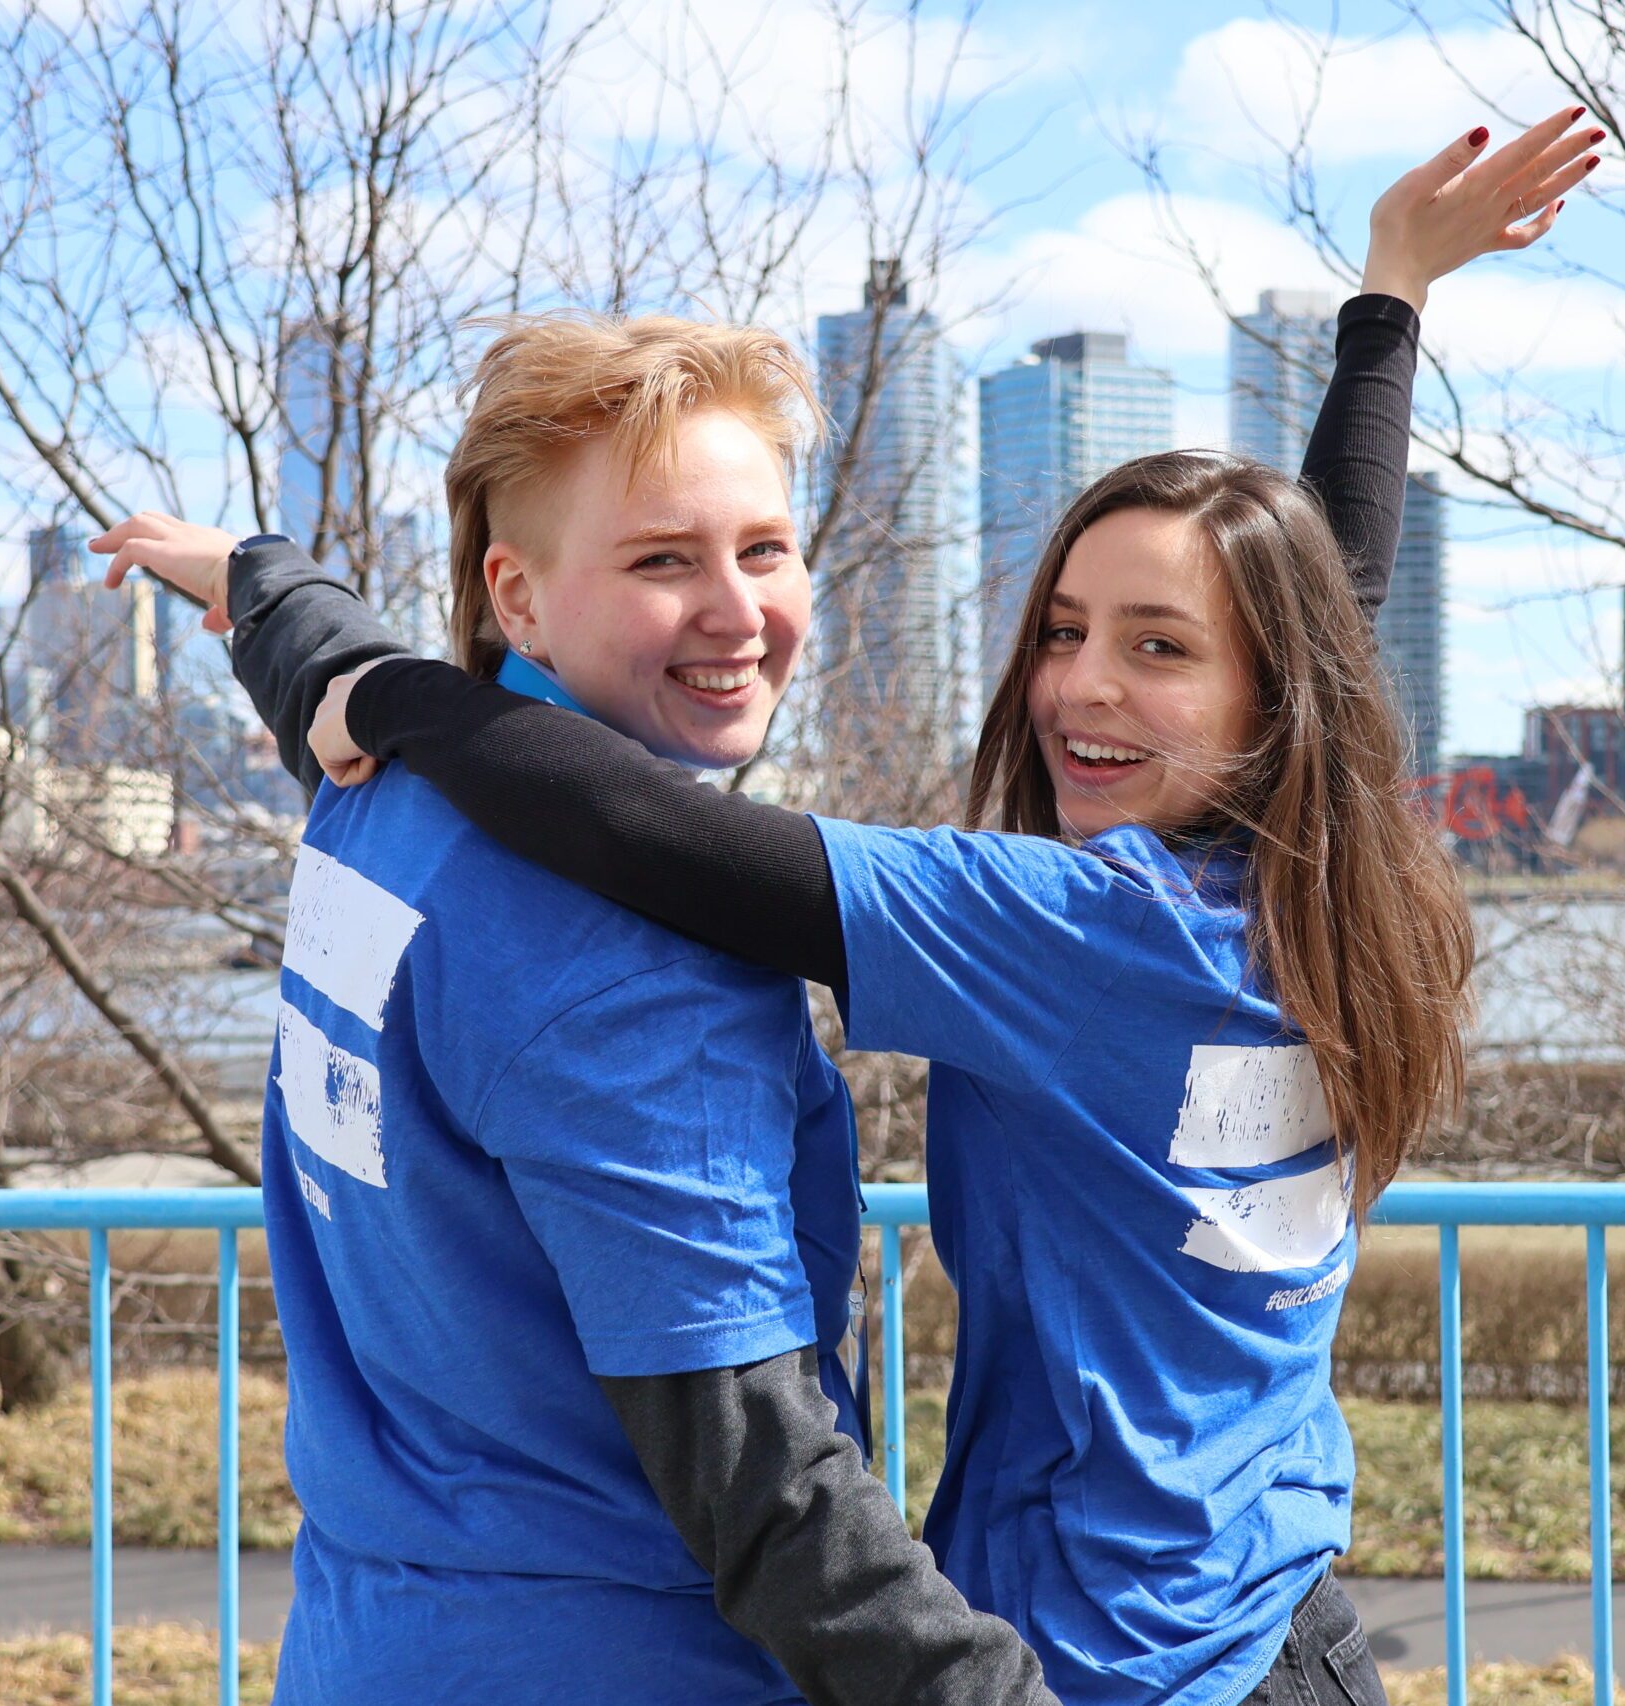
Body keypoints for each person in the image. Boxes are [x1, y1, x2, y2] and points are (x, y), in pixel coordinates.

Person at [117, 111, 1598, 1706]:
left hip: (1110, 1660)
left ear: (1264, 703)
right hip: (1263, 1618)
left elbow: (644, 834)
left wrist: (359, 668)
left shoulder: (387, 814)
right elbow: (1327, 604)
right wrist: (1390, 298)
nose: (1084, 685)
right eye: (1067, 630)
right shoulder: (1317, 877)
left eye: (765, 546)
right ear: (518, 591)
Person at [94, 319, 1058, 1706]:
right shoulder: (643, 964)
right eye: (663, 559)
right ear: (521, 598)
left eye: (765, 548)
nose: (737, 611)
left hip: (371, 1633)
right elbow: (765, 1487)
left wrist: (256, 580)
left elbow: (316, 651)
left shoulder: (379, 780)